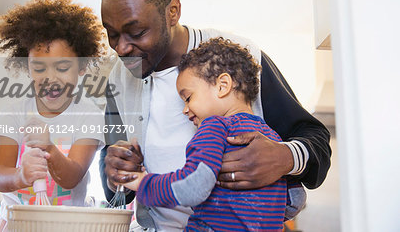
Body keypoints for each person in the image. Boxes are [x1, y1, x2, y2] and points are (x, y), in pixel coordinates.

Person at [100, 0, 331, 231]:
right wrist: (115, 173)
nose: (121, 48)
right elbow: (116, 185)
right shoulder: (116, 76)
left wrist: (285, 157)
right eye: (111, 33)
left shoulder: (240, 56)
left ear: (172, 11)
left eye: (136, 32)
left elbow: (315, 141)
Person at [122, 37, 292, 231]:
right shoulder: (273, 138)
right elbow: (295, 199)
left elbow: (194, 185)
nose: (185, 110)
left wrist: (142, 183)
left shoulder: (215, 126)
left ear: (222, 86)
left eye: (188, 98)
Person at [0, 0, 106, 231]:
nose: (50, 78)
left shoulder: (89, 116)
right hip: (16, 224)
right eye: (39, 67)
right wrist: (21, 176)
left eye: (63, 67)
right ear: (27, 65)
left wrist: (50, 148)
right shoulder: (14, 113)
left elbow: (72, 177)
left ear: (82, 66)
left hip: (68, 225)